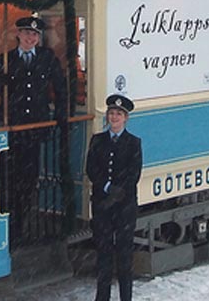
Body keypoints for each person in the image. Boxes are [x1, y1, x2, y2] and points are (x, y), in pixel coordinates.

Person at [0, 13, 67, 243]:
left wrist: (62, 117)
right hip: (13, 127)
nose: (30, 38)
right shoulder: (7, 59)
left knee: (29, 179)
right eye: (26, 33)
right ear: (18, 35)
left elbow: (60, 88)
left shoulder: (46, 57)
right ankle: (11, 227)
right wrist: (0, 80)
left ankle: (22, 226)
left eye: (34, 34)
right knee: (9, 180)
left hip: (35, 129)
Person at [86, 94, 142, 301]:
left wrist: (119, 192)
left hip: (125, 206)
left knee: (124, 257)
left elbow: (133, 173)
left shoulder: (134, 143)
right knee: (104, 255)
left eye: (118, 114)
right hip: (102, 205)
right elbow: (91, 168)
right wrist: (107, 187)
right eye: (111, 113)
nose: (114, 117)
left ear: (126, 118)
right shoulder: (98, 140)